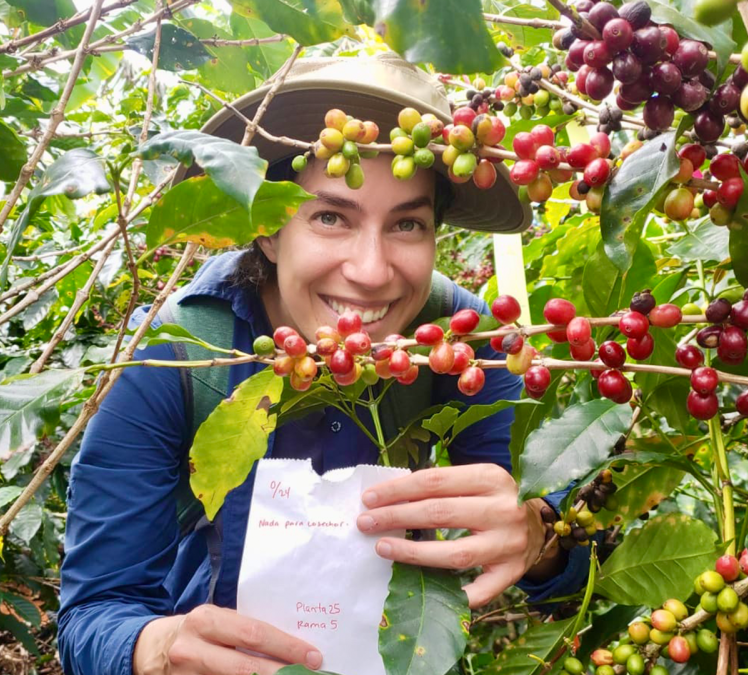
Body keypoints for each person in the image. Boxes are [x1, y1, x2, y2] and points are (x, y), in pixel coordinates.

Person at [57, 53, 589, 675]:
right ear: (269, 229)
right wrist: (154, 648)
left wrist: (539, 534)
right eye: (331, 216)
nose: (370, 271)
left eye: (408, 224)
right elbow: (94, 612)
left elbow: (567, 545)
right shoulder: (181, 353)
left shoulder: (460, 338)